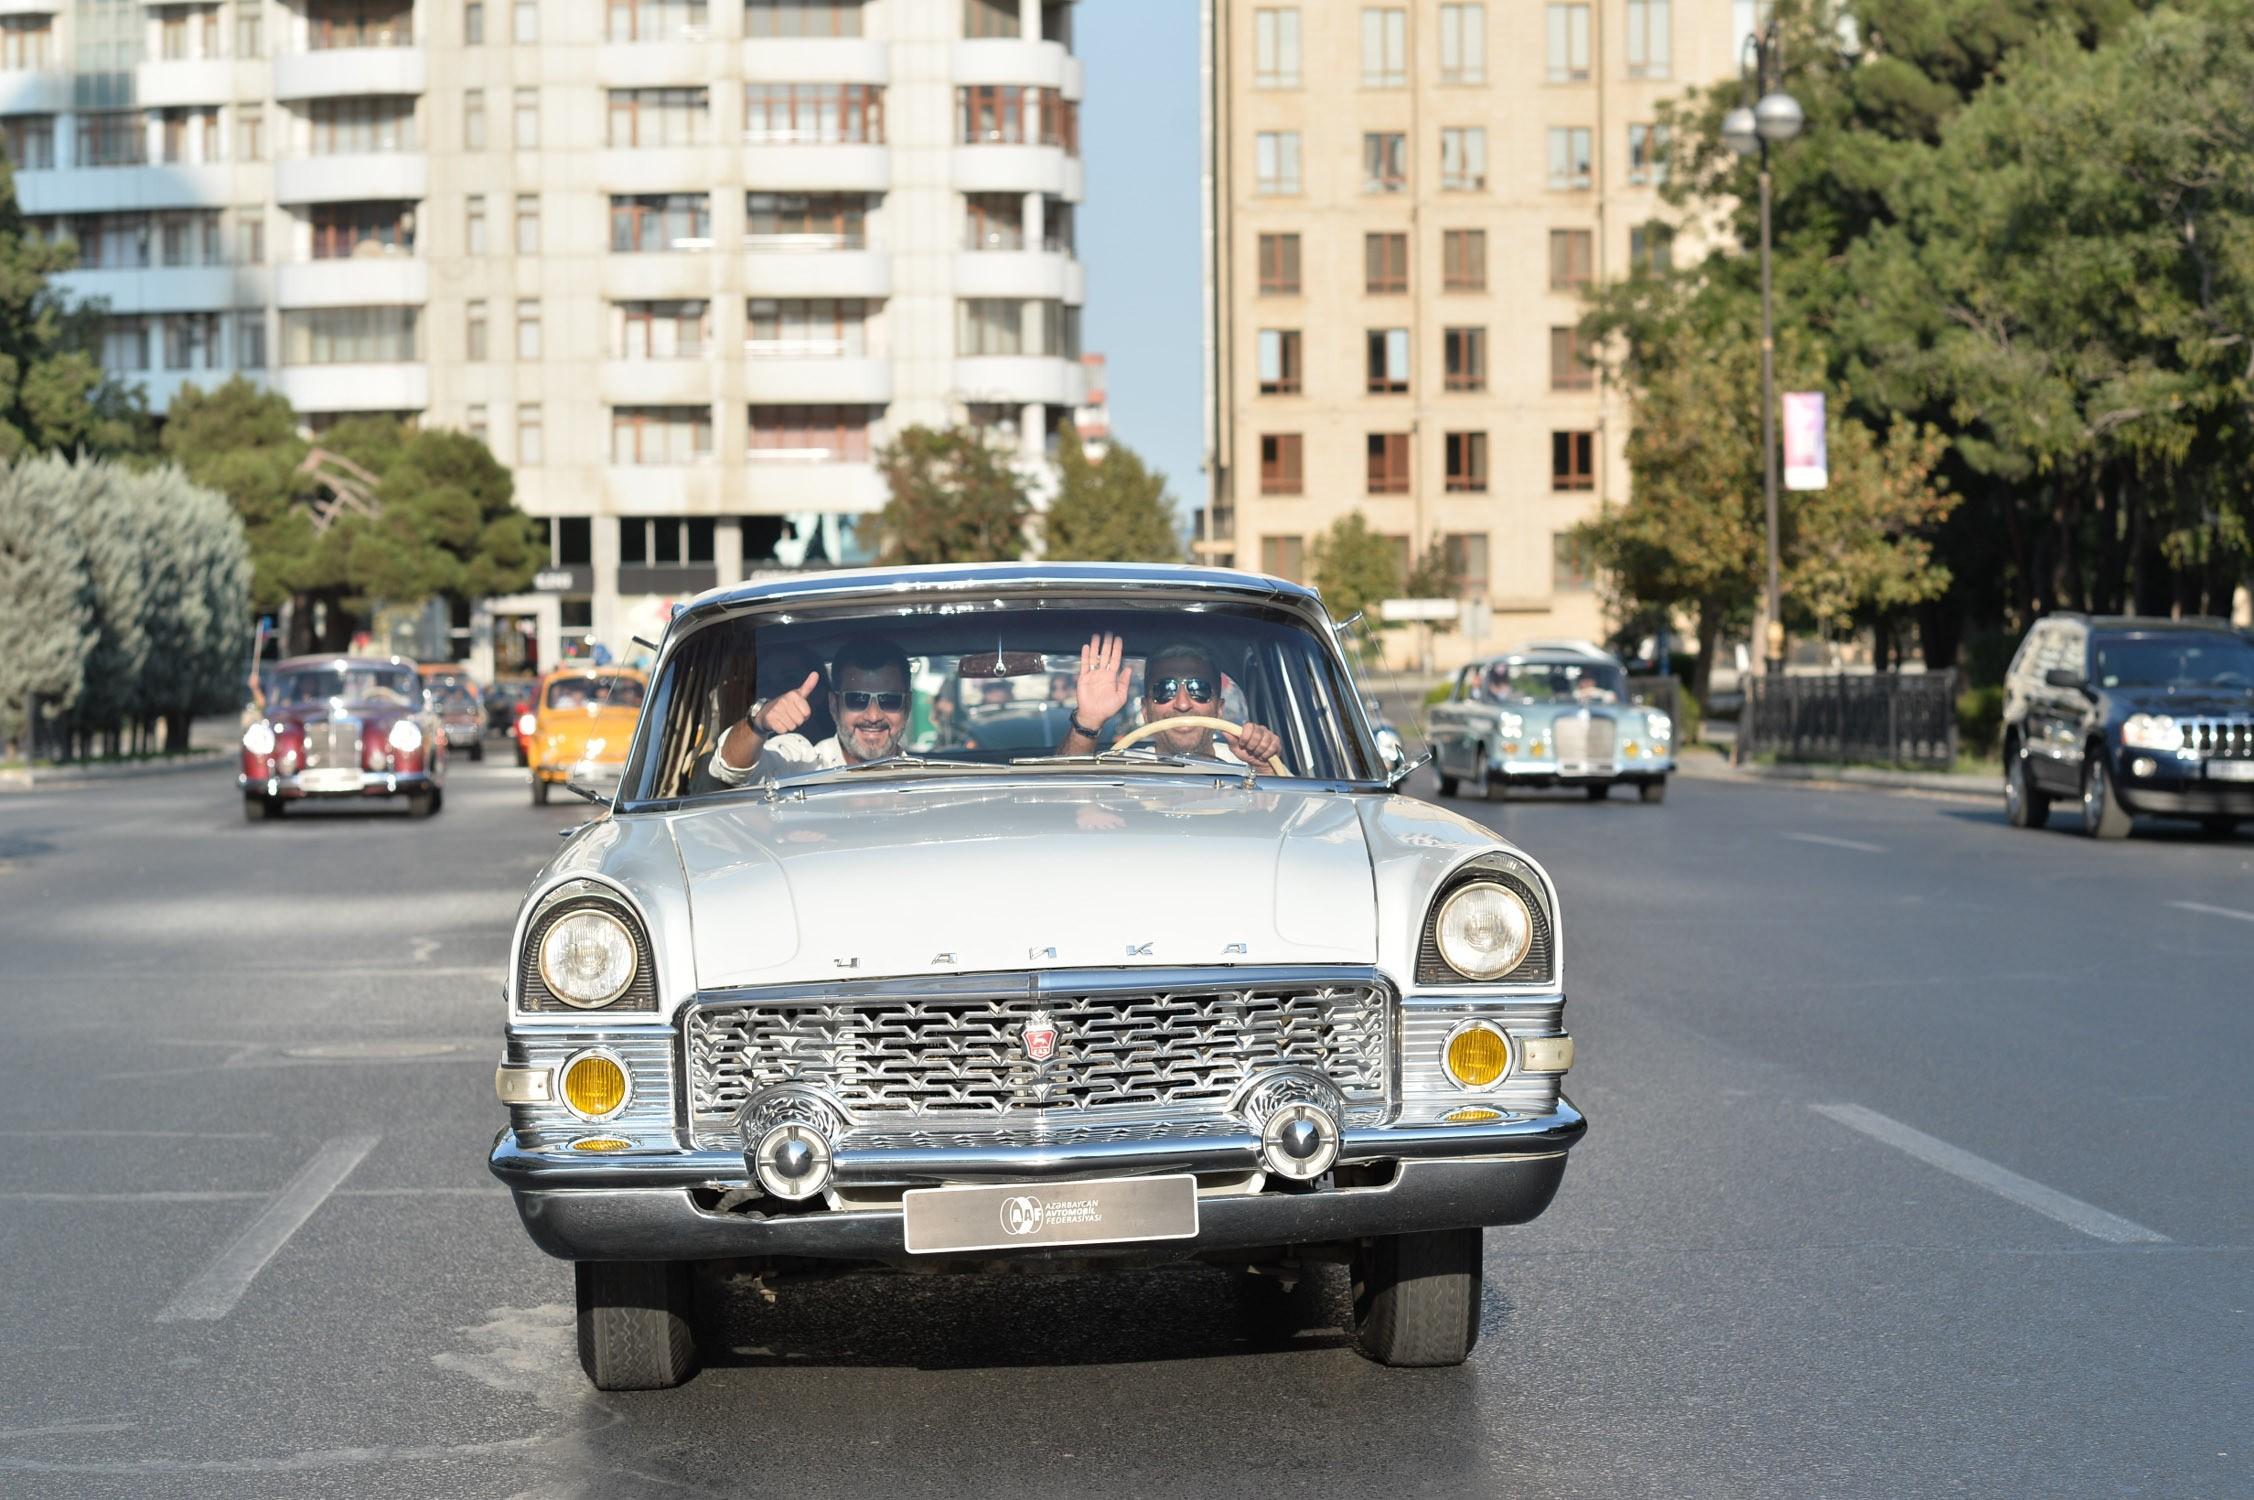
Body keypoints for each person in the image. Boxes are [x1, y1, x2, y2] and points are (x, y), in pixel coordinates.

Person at [1055, 633, 1284, 769]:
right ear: (1145, 710)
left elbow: (1288, 822)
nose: (1182, 704)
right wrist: (1087, 721)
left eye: (1198, 688)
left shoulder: (1246, 767)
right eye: (1165, 689)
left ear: (1219, 708)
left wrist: (1265, 768)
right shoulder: (1121, 768)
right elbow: (1065, 799)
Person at [707, 638, 911, 786]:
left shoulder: (932, 782)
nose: (873, 716)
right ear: (833, 706)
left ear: (907, 707)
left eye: (889, 700)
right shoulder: (802, 763)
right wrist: (759, 721)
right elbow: (730, 768)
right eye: (856, 699)